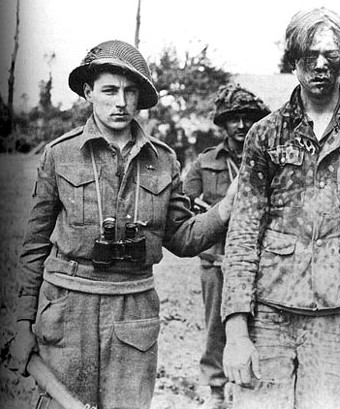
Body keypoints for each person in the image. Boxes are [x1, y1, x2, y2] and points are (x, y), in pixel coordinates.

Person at [10, 40, 236, 409]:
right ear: (88, 92)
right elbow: (34, 247)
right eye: (109, 90)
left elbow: (180, 237)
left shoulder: (164, 160)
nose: (120, 102)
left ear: (140, 99)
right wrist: (22, 324)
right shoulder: (60, 155)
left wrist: (225, 209)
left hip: (133, 314)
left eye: (130, 92)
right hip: (69, 310)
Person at [221, 8, 340, 409]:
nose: (321, 64)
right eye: (310, 54)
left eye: (331, 54)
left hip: (337, 317)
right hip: (269, 313)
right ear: (293, 58)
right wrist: (237, 331)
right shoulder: (265, 134)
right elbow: (242, 232)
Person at [184, 84, 270, 409]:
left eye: (248, 118)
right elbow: (184, 205)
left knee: (257, 324)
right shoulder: (206, 162)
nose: (241, 125)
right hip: (216, 259)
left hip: (256, 260)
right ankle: (217, 392)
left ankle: (252, 387)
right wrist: (215, 212)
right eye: (233, 118)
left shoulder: (267, 159)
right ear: (223, 123)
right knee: (215, 329)